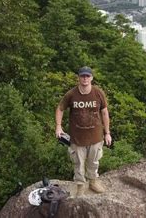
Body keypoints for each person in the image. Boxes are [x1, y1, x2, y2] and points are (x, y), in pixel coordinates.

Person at [55, 66, 112, 197]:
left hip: (96, 136)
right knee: (78, 164)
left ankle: (93, 182)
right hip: (77, 138)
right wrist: (58, 126)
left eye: (87, 76)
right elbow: (60, 108)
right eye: (82, 76)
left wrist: (107, 132)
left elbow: (104, 112)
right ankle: (80, 185)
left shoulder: (98, 93)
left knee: (94, 162)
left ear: (91, 78)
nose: (85, 78)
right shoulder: (71, 94)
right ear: (78, 78)